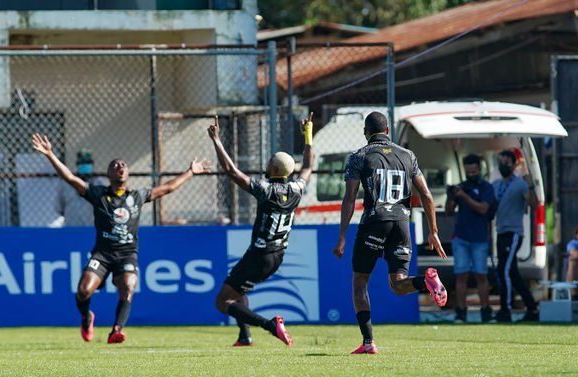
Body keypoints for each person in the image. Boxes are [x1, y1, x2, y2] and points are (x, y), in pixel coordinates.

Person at [31, 133, 211, 343]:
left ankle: (117, 329)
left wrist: (191, 171)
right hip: (103, 253)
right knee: (83, 291)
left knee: (128, 287)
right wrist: (50, 154)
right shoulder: (98, 194)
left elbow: (168, 187)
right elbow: (70, 178)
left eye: (123, 165)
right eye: (115, 165)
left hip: (126, 254)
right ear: (108, 173)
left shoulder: (137, 196)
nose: (120, 167)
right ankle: (86, 316)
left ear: (128, 173)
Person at [333, 111, 447, 355]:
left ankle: (368, 342)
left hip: (375, 222)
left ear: (366, 132)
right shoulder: (407, 155)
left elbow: (350, 198)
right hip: (402, 224)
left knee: (359, 282)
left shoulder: (359, 156)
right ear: (387, 131)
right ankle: (426, 281)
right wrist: (433, 232)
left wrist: (342, 235)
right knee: (397, 284)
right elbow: (426, 195)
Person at [208, 113, 314, 347]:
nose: (265, 165)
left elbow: (231, 171)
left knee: (222, 302)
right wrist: (307, 135)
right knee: (236, 290)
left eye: (269, 163)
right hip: (277, 255)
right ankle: (244, 335)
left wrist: (216, 140)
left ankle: (270, 325)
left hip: (260, 254)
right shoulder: (296, 189)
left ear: (274, 168)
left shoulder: (265, 189)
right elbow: (307, 166)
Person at [445, 154, 496, 323]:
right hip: (461, 237)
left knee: (481, 275)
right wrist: (451, 197)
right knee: (461, 275)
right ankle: (461, 312)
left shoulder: (486, 188)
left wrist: (464, 197)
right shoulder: (461, 187)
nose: (471, 175)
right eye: (468, 172)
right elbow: (449, 212)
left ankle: (486, 312)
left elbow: (483, 209)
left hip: (480, 238)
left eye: (474, 171)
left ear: (479, 169)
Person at [492, 149, 539, 322]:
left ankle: (506, 310)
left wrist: (531, 185)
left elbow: (534, 205)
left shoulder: (520, 184)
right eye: (500, 162)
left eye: (506, 162)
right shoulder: (495, 185)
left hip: (513, 233)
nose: (503, 165)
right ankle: (532, 308)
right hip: (501, 232)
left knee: (503, 270)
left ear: (514, 164)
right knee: (512, 273)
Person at [50, 149, 108, 227]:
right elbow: (59, 208)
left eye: (87, 163)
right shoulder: (65, 184)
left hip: (93, 228)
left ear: (92, 164)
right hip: (71, 227)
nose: (84, 165)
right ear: (77, 165)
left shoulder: (99, 183)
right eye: (82, 163)